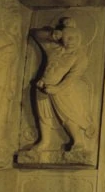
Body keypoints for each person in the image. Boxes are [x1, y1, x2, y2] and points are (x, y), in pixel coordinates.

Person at [30, 17, 95, 152]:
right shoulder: (54, 49)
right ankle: (45, 141)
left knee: (68, 115)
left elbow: (73, 77)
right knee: (43, 115)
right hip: (43, 85)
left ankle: (78, 141)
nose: (70, 41)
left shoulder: (80, 57)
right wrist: (52, 35)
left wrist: (57, 88)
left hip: (63, 89)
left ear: (79, 38)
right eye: (67, 38)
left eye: (74, 38)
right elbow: (35, 34)